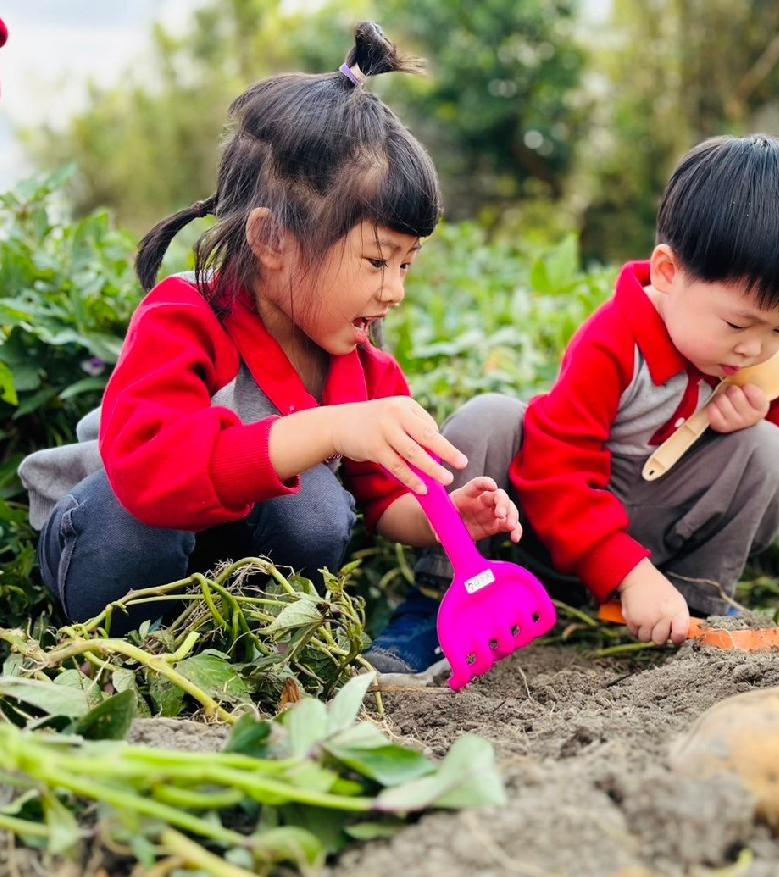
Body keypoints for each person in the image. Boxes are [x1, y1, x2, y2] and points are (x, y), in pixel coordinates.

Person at [19, 24, 521, 633]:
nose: (395, 289)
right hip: (110, 540)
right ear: (271, 239)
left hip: (225, 579)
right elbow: (153, 476)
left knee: (317, 506)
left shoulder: (360, 364)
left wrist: (444, 519)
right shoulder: (187, 317)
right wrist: (329, 427)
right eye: (376, 260)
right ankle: (131, 641)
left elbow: (382, 498)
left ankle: (237, 638)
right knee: (135, 523)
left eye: (406, 264)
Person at [364, 134, 779, 673]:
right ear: (667, 272)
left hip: (656, 534)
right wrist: (628, 572)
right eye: (737, 323)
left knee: (770, 453)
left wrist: (757, 414)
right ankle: (441, 599)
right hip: (539, 528)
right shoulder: (616, 341)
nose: (754, 347)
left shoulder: (753, 357)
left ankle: (692, 605)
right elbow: (555, 467)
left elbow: (747, 472)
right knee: (489, 418)